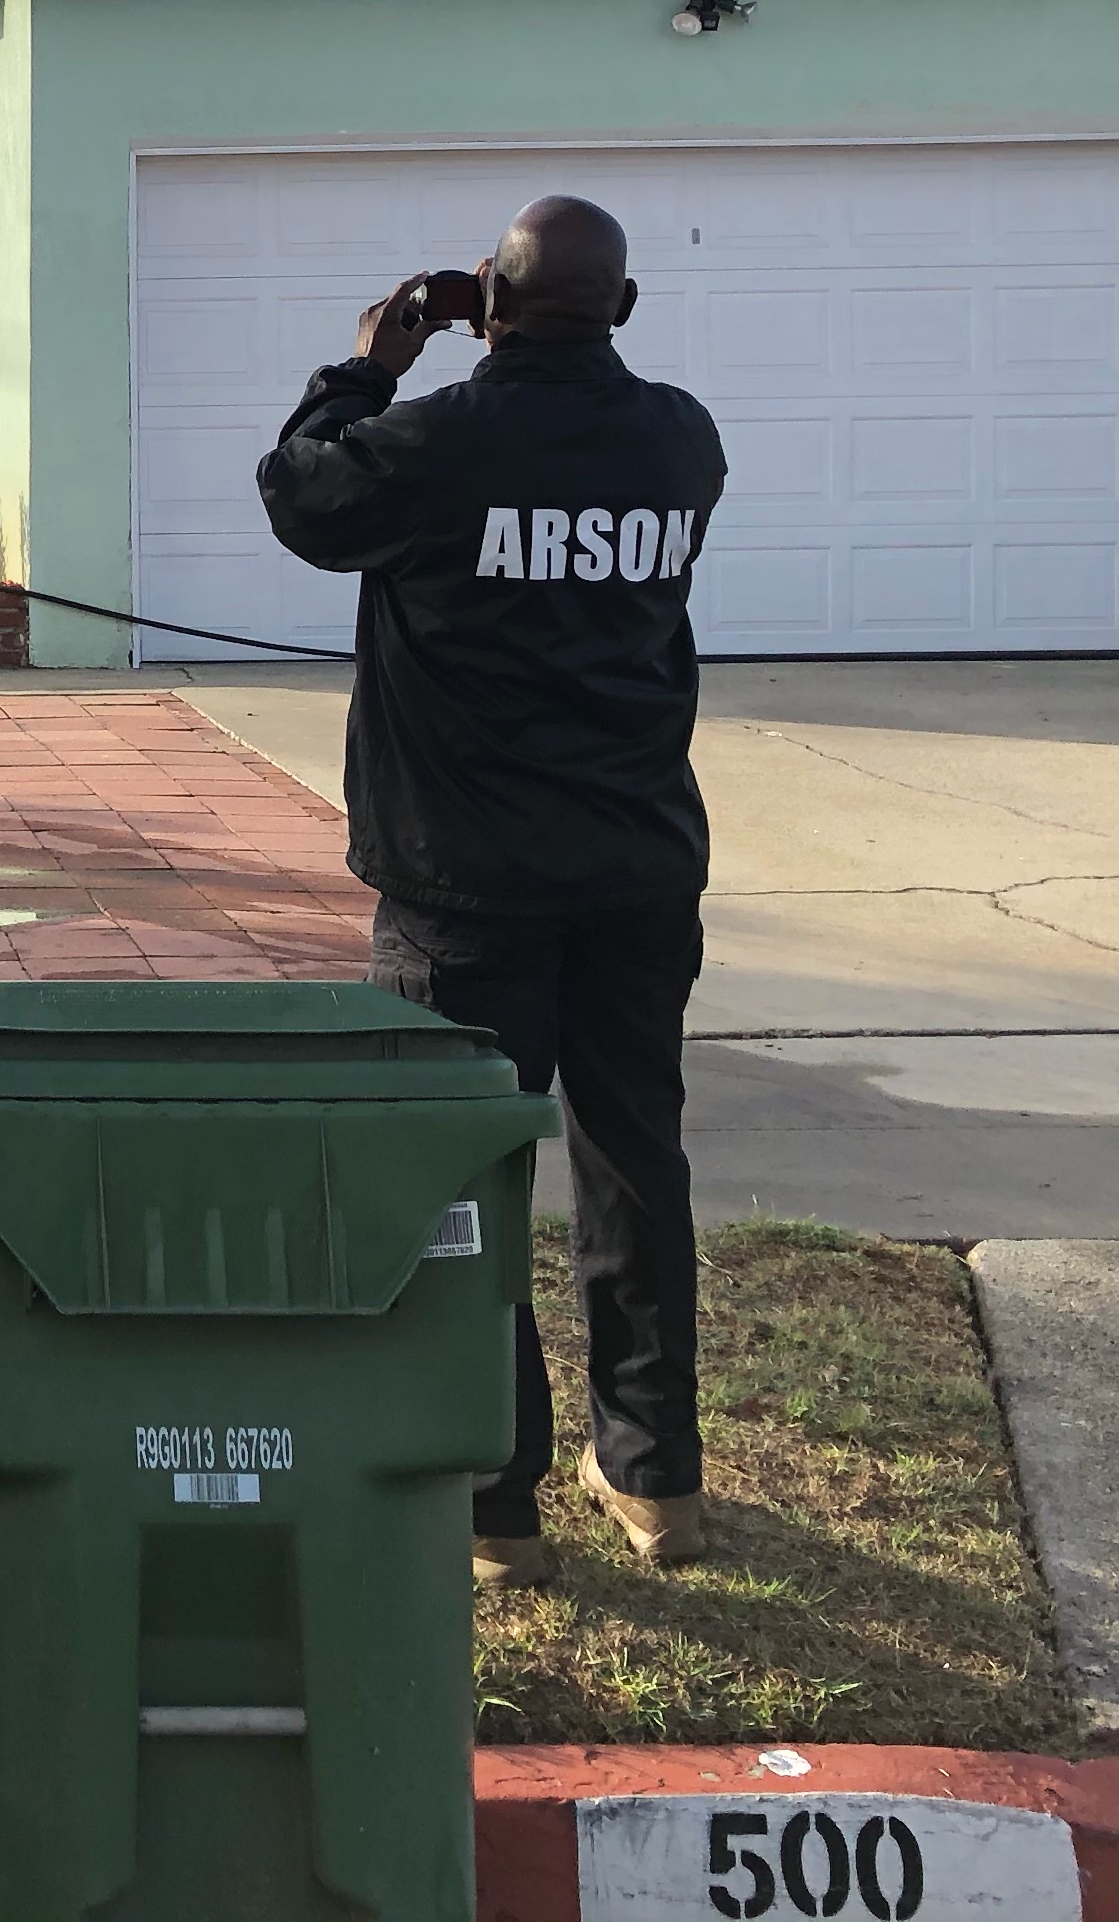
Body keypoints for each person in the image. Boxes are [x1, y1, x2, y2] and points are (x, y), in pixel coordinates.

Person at [251, 196, 729, 1592]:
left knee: (456, 1187)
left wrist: (367, 363)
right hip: (640, 870)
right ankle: (656, 1478)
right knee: (637, 1162)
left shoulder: (437, 443)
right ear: (625, 312)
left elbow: (300, 491)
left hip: (464, 886)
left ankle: (493, 1493)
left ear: (489, 307)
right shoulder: (682, 441)